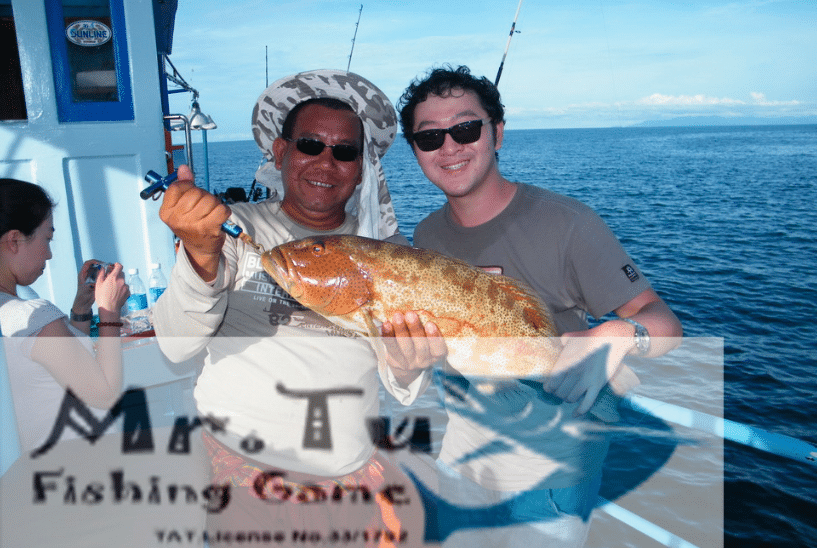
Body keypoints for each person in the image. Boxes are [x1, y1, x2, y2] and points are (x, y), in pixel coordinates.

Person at [152, 70, 444, 546]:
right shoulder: (230, 229)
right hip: (250, 486)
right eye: (311, 145)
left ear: (361, 168)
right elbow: (176, 344)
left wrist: (409, 367)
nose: (326, 163)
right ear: (281, 152)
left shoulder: (384, 253)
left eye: (345, 151)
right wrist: (200, 257)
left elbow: (402, 380)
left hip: (351, 479)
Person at [396, 65, 684, 546]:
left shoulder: (569, 223)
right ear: (416, 151)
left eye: (466, 128)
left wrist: (617, 336)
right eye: (430, 138)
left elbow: (665, 324)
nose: (449, 146)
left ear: (497, 134)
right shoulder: (426, 236)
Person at [0, 178, 130, 452]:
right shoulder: (33, 314)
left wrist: (82, 308)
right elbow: (103, 394)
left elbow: (57, 368)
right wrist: (109, 312)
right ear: (14, 240)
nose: (49, 254)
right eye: (47, 238)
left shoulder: (15, 315)